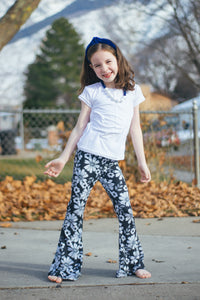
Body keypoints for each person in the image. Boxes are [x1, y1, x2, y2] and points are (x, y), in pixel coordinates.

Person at [44, 37, 151, 283]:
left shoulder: (133, 91)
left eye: (108, 62)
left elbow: (136, 129)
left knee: (125, 211)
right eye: (97, 65)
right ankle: (64, 267)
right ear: (91, 68)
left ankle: (134, 263)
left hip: (112, 163)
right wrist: (63, 157)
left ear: (118, 60)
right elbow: (80, 127)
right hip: (87, 158)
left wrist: (142, 163)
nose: (104, 68)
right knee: (75, 211)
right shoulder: (91, 92)